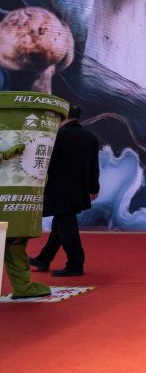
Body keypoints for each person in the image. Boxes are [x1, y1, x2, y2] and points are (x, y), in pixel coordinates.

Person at [30, 105, 100, 277]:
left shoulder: (56, 136)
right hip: (79, 189)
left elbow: (46, 164)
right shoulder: (91, 137)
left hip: (59, 188)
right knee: (60, 224)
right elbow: (94, 166)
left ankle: (75, 264)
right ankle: (44, 258)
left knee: (66, 225)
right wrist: (94, 188)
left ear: (62, 116)